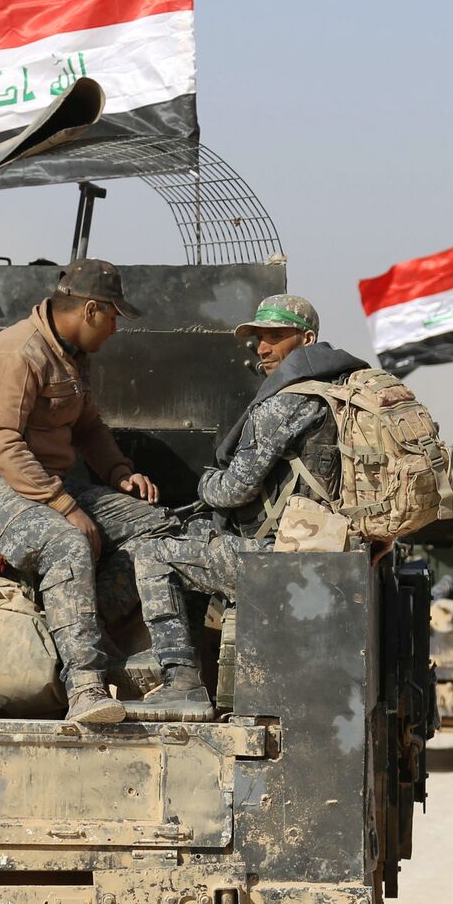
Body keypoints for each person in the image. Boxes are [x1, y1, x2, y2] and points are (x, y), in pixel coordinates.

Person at [0, 259, 180, 725]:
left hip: (41, 480)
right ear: (90, 310)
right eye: (113, 317)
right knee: (66, 542)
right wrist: (65, 507)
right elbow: (3, 446)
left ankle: (77, 621)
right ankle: (86, 688)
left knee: (156, 526)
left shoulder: (71, 355)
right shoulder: (16, 354)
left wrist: (118, 473)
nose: (115, 329)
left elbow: (88, 427)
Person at [128, 294, 367, 719]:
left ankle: (182, 681)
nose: (262, 348)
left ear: (307, 339)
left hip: (283, 560)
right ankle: (195, 665)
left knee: (154, 555)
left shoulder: (287, 401)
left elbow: (234, 490)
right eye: (258, 338)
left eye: (276, 336)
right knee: (195, 537)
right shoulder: (340, 391)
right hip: (329, 551)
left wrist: (204, 482)